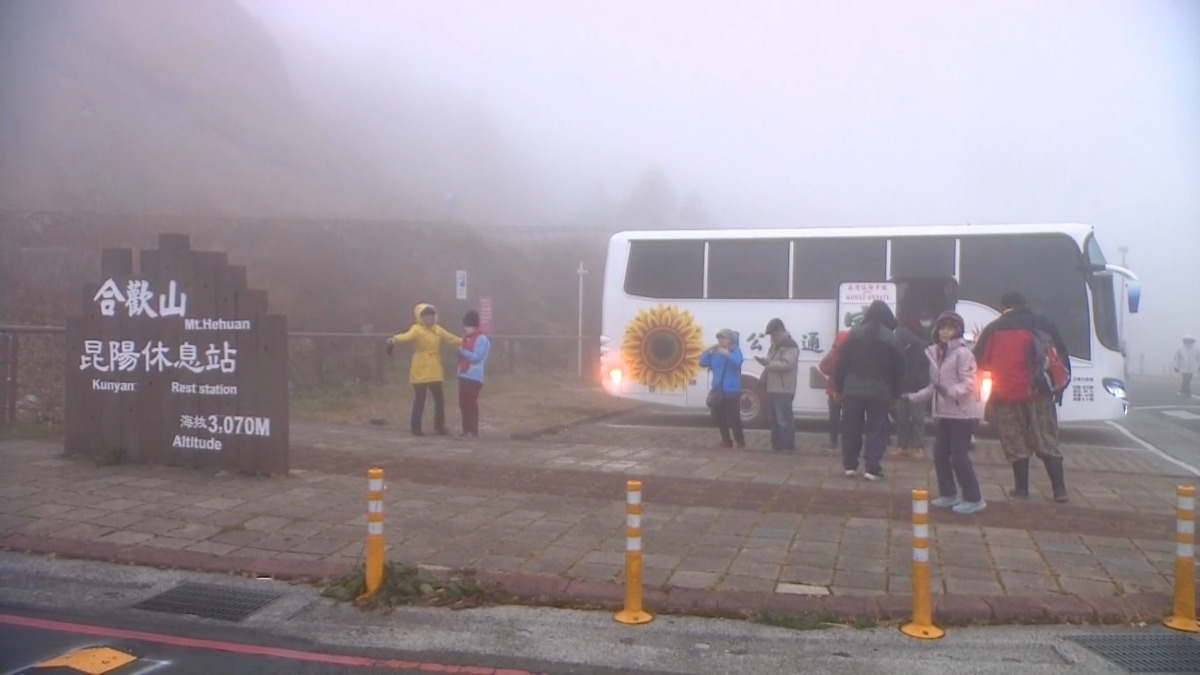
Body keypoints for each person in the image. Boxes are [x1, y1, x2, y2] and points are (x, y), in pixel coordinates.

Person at [973, 292, 1071, 503]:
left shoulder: (994, 328)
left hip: (1006, 394)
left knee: (1016, 442)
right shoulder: (1043, 324)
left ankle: (1022, 489)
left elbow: (980, 361)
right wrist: (1057, 390)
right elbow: (1061, 356)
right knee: (1047, 440)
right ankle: (1059, 490)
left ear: (1003, 306)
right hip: (1039, 394)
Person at [905, 312, 985, 514]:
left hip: (963, 414)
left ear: (958, 330)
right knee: (940, 455)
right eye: (942, 328)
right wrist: (913, 397)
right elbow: (935, 385)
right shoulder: (935, 353)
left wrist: (951, 392)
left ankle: (974, 498)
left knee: (959, 456)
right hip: (943, 414)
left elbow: (969, 383)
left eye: (950, 328)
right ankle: (948, 494)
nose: (945, 332)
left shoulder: (963, 354)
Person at [833, 300, 906, 481]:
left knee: (851, 427)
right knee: (876, 428)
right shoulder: (891, 338)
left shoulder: (853, 334)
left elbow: (840, 364)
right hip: (880, 391)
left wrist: (838, 388)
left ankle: (850, 466)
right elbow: (900, 369)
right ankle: (872, 469)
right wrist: (896, 395)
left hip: (852, 389)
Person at [387, 303, 462, 436]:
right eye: (427, 316)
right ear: (420, 317)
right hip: (420, 366)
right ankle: (416, 427)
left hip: (434, 367)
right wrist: (394, 339)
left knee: (439, 399)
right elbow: (406, 336)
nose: (430, 318)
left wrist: (467, 341)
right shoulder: (416, 329)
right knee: (420, 398)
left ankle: (439, 426)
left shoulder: (438, 329)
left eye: (432, 315)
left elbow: (451, 338)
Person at [756, 318, 799, 452]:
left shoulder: (790, 345)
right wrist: (766, 362)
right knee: (774, 420)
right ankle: (776, 446)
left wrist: (768, 364)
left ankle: (787, 447)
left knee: (783, 420)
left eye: (773, 334)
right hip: (772, 387)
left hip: (783, 388)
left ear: (780, 330)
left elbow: (787, 364)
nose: (771, 337)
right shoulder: (775, 345)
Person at [892, 314, 932, 459]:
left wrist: (922, 383)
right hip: (902, 388)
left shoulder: (921, 350)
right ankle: (901, 445)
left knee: (917, 419)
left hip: (917, 388)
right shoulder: (898, 350)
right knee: (901, 418)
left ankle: (918, 447)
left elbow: (926, 369)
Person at [699, 328, 745, 449]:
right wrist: (708, 350)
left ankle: (740, 441)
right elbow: (703, 362)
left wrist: (726, 354)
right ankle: (726, 440)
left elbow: (738, 362)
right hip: (718, 390)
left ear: (730, 340)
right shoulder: (715, 353)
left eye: (724, 338)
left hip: (732, 390)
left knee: (734, 417)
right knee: (720, 417)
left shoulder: (735, 351)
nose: (720, 340)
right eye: (719, 338)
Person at [457, 310, 490, 439]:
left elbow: (477, 357)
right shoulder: (465, 338)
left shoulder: (482, 339)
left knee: (471, 404)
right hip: (463, 375)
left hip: (474, 377)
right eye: (465, 325)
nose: (467, 328)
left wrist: (463, 352)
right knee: (463, 404)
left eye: (469, 325)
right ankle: (465, 430)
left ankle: (473, 430)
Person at [819, 330, 850, 449]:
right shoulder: (852, 354)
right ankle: (846, 441)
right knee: (848, 417)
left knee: (834, 417)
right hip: (847, 390)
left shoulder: (834, 353)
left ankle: (833, 441)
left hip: (835, 388)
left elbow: (823, 366)